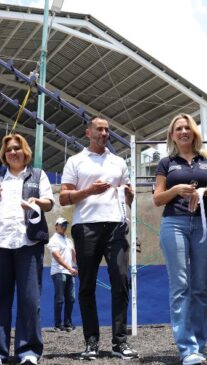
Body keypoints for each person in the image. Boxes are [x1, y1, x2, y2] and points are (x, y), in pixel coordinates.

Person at [59, 116, 139, 360]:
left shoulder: (118, 162)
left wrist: (129, 195)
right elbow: (63, 198)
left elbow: (129, 198)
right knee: (86, 286)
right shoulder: (75, 161)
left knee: (121, 281)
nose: (105, 133)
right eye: (100, 129)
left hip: (116, 225)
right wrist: (89, 191)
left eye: (107, 130)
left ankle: (119, 343)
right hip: (86, 228)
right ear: (88, 133)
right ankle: (91, 342)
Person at [0, 134, 54, 365]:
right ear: (4, 155)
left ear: (25, 152)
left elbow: (49, 202)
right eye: (8, 150)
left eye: (17, 149)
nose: (13, 153)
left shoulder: (38, 175)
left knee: (29, 299)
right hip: (0, 243)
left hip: (28, 244)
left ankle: (28, 351)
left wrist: (37, 202)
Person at [153, 113, 207, 365]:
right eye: (178, 128)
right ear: (172, 135)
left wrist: (205, 191)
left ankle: (199, 345)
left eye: (187, 127)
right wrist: (174, 190)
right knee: (180, 286)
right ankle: (187, 349)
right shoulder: (165, 163)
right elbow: (157, 198)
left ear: (194, 132)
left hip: (205, 225)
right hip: (174, 224)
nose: (183, 131)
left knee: (200, 288)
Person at [47, 217, 78, 332]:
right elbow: (57, 257)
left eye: (65, 224)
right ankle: (58, 324)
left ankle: (67, 323)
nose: (64, 226)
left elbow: (74, 256)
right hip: (59, 272)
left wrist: (80, 267)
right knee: (60, 299)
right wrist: (70, 268)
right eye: (61, 224)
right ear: (56, 226)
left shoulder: (69, 240)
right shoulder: (53, 240)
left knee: (71, 298)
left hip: (69, 272)